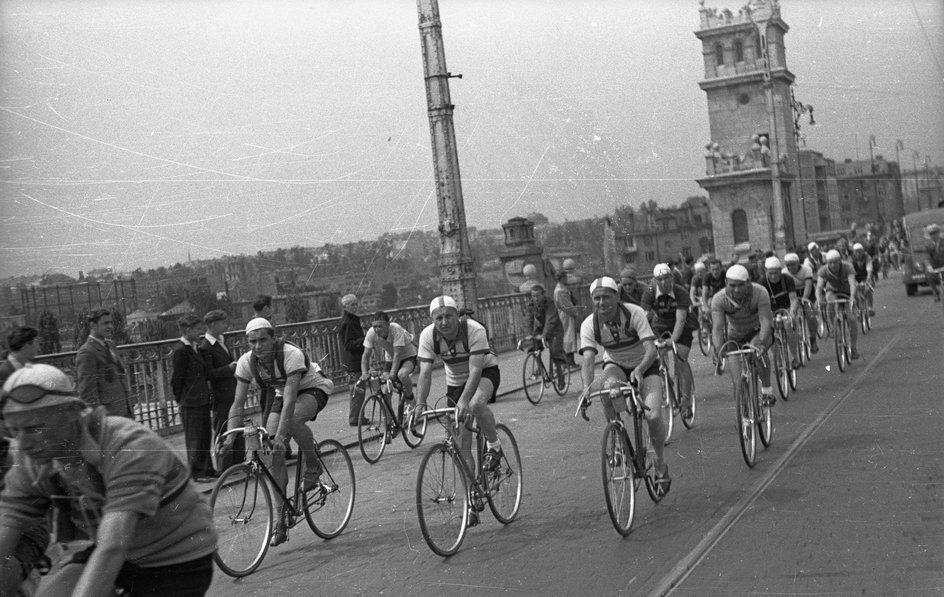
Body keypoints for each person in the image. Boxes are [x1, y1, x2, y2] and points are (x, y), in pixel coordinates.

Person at [0, 364, 217, 597]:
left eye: (34, 428)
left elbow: (113, 545)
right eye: (14, 432)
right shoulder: (35, 458)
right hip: (118, 552)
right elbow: (6, 527)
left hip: (175, 558)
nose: (22, 444)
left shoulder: (129, 445)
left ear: (72, 413)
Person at [225, 318, 334, 546]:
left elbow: (291, 400)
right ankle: (281, 518)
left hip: (313, 388)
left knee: (291, 422)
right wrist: (229, 437)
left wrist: (283, 437)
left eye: (263, 339)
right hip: (281, 395)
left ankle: (313, 464)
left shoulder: (290, 354)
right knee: (272, 453)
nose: (257, 346)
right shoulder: (247, 361)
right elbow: (237, 404)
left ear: (273, 338)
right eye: (252, 341)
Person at [578, 276, 670, 494]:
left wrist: (639, 370)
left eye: (607, 297)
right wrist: (585, 389)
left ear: (617, 297)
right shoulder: (589, 324)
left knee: (653, 416)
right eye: (597, 298)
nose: (602, 303)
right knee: (606, 387)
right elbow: (589, 360)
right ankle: (618, 438)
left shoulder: (634, 312)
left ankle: (659, 463)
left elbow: (650, 349)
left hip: (645, 365)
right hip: (616, 365)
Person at [415, 296, 503, 487]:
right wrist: (420, 404)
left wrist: (464, 402)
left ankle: (495, 447)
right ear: (432, 320)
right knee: (461, 447)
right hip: (455, 382)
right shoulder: (428, 336)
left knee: (476, 404)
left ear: (457, 316)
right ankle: (472, 496)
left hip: (484, 372)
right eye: (438, 318)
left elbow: (475, 371)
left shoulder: (474, 330)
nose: (444, 322)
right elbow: (425, 374)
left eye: (448, 316)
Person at [711, 264, 776, 406]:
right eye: (732, 285)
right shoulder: (719, 299)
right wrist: (718, 348)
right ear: (726, 283)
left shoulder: (760, 292)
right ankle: (745, 413)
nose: (736, 290)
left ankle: (767, 391)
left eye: (740, 285)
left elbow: (765, 320)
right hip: (735, 336)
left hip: (758, 331)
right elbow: (717, 328)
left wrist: (762, 342)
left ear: (748, 282)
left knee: (756, 350)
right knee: (737, 380)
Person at [640, 264, 696, 419]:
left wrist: (673, 340)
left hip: (681, 327)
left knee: (680, 357)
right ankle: (665, 380)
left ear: (671, 277)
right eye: (659, 279)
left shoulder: (680, 292)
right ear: (654, 280)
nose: (663, 282)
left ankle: (686, 402)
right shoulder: (649, 292)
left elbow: (681, 319)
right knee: (656, 355)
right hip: (660, 324)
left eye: (666, 278)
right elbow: (643, 318)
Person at [171, 314, 215, 482]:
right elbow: (177, 379)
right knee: (195, 438)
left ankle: (207, 469)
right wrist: (181, 399)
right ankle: (197, 473)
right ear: (187, 330)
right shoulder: (181, 350)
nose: (201, 332)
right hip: (190, 401)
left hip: (201, 399)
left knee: (204, 435)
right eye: (197, 329)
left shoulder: (194, 347)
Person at [199, 309, 243, 471]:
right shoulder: (206, 347)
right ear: (212, 325)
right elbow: (208, 373)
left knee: (236, 425)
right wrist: (229, 368)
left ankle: (238, 463)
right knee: (223, 427)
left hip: (231, 391)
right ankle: (224, 466)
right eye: (222, 322)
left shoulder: (221, 341)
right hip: (220, 394)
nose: (226, 325)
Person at [74, 309, 134, 418]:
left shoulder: (110, 345)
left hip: (124, 412)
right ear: (93, 325)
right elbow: (87, 394)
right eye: (105, 323)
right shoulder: (86, 352)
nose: (110, 326)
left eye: (111, 322)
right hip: (108, 418)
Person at [360, 310, 418, 410]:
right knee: (386, 390)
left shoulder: (395, 329)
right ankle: (389, 421)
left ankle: (410, 398)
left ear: (388, 324)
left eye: (380, 326)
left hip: (408, 356)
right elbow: (365, 355)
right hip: (390, 359)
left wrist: (392, 373)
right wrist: (364, 372)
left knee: (402, 375)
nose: (377, 330)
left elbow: (397, 354)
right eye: (375, 327)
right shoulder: (371, 333)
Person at [816, 249, 860, 360]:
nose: (833, 265)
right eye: (830, 263)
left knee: (852, 319)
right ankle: (832, 326)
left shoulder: (847, 267)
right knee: (829, 300)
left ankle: (853, 348)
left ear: (840, 261)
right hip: (833, 291)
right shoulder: (823, 271)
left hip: (847, 292)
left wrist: (852, 297)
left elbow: (852, 283)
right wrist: (819, 299)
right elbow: (819, 287)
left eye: (835, 262)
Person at [761, 257, 801, 369]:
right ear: (766, 271)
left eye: (776, 273)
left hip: (787, 307)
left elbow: (793, 299)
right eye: (770, 273)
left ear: (780, 270)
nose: (773, 276)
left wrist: (792, 314)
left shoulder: (787, 279)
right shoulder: (762, 282)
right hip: (770, 310)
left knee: (789, 326)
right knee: (771, 332)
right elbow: (761, 304)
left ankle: (794, 357)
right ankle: (778, 361)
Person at [525, 283, 567, 385]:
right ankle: (541, 371)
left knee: (554, 352)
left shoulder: (549, 303)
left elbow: (550, 320)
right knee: (533, 347)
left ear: (543, 295)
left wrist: (543, 336)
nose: (535, 298)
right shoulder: (530, 305)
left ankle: (561, 377)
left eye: (538, 296)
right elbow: (528, 321)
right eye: (533, 296)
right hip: (542, 328)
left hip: (555, 329)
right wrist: (529, 334)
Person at [339, 294, 369, 426]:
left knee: (358, 390)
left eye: (356, 304)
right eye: (352, 304)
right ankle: (355, 418)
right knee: (357, 391)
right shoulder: (348, 322)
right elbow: (348, 344)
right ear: (345, 307)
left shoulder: (350, 320)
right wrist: (364, 340)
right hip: (354, 362)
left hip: (354, 361)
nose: (355, 307)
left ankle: (358, 416)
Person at [783, 252, 819, 354]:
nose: (790, 267)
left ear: (798, 263)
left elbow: (808, 285)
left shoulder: (806, 269)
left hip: (806, 293)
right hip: (792, 294)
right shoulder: (784, 272)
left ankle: (813, 339)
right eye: (788, 265)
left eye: (792, 264)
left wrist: (804, 298)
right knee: (791, 315)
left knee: (810, 316)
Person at [554, 270, 585, 365]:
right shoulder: (560, 290)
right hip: (566, 316)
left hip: (566, 315)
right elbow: (566, 306)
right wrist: (575, 313)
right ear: (562, 278)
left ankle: (569, 361)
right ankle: (569, 361)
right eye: (565, 278)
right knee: (568, 337)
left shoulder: (562, 288)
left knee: (569, 337)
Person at [850, 243, 875, 316]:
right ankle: (857, 309)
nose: (858, 253)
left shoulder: (867, 257)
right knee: (853, 292)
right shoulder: (851, 259)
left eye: (860, 251)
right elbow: (850, 270)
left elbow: (869, 268)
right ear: (854, 252)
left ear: (863, 251)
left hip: (866, 277)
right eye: (856, 251)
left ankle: (870, 307)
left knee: (867, 289)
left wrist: (869, 278)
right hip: (855, 278)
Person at [926, 224, 944, 302]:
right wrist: (928, 265)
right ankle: (936, 293)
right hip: (935, 267)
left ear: (939, 233)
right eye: (931, 234)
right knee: (929, 276)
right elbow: (927, 256)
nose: (933, 235)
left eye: (935, 233)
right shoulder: (928, 245)